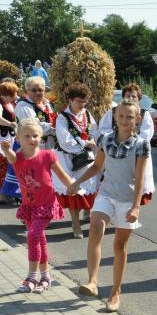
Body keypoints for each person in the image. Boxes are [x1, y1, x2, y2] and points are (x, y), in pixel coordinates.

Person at [70, 99, 149, 313]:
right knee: (95, 229)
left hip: (127, 199)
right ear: (115, 117)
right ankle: (92, 282)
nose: (124, 120)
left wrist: (136, 207)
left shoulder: (141, 144)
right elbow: (97, 166)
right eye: (121, 116)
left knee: (119, 246)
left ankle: (115, 292)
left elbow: (140, 178)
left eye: (129, 116)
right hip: (106, 194)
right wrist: (77, 182)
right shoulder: (105, 139)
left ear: (137, 119)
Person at [1, 119, 73, 293]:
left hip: (46, 204)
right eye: (27, 136)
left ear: (41, 137)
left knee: (33, 235)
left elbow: (62, 174)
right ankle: (46, 277)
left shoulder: (48, 155)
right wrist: (6, 150)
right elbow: (11, 158)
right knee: (39, 240)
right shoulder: (17, 157)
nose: (31, 139)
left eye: (35, 135)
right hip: (29, 206)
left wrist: (72, 186)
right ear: (18, 138)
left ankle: (31, 277)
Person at [53, 82, 99, 239]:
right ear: (70, 100)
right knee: (73, 189)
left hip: (85, 158)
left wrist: (93, 140)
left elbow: (95, 130)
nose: (82, 104)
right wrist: (85, 143)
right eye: (79, 101)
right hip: (67, 159)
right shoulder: (62, 118)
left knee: (87, 187)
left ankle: (87, 213)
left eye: (85, 101)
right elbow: (65, 141)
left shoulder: (87, 114)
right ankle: (75, 223)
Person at [98, 83, 155, 205]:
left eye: (134, 96)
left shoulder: (144, 114)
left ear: (139, 99)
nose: (130, 98)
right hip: (115, 151)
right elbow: (103, 129)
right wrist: (116, 137)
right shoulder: (113, 112)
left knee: (136, 184)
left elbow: (146, 135)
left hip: (136, 154)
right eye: (128, 95)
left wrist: (128, 139)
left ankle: (133, 208)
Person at [15, 76, 56, 150]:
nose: (37, 93)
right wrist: (55, 127)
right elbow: (34, 127)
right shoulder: (23, 106)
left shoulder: (46, 103)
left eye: (40, 90)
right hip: (33, 147)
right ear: (27, 91)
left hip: (50, 145)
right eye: (34, 90)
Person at [0, 81, 19, 203]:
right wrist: (10, 124)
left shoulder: (10, 104)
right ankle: (2, 195)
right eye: (14, 92)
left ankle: (7, 192)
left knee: (9, 164)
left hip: (9, 137)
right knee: (2, 165)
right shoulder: (0, 104)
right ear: (9, 93)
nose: (16, 95)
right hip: (2, 137)